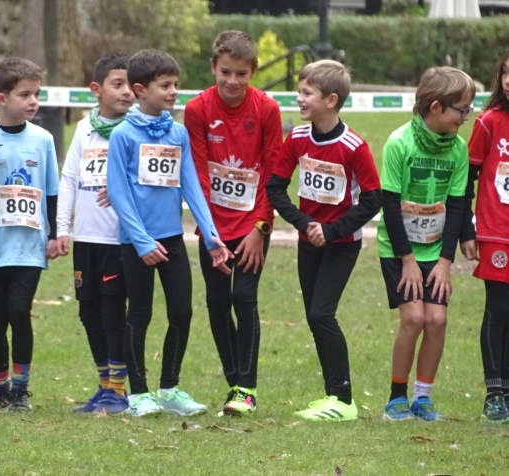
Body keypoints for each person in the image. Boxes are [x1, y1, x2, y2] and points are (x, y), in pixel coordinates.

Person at [107, 49, 232, 418]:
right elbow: (118, 192)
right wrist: (142, 241)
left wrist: (211, 237)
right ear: (140, 89)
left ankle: (169, 387)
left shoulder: (177, 133)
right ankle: (139, 394)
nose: (174, 91)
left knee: (181, 311)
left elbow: (190, 184)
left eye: (176, 84)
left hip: (172, 239)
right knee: (140, 314)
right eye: (165, 85)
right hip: (137, 243)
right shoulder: (123, 135)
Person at [267, 60, 381, 421]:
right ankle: (332, 396)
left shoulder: (353, 146)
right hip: (308, 242)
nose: (299, 99)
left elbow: (374, 198)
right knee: (314, 317)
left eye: (306, 93)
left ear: (331, 100)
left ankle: (344, 401)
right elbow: (275, 187)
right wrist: (305, 223)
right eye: (299, 92)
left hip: (342, 244)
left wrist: (330, 230)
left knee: (321, 313)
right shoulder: (298, 138)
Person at [185, 30, 282, 415]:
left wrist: (261, 228)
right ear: (213, 67)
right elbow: (197, 174)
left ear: (253, 71)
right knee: (216, 302)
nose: (232, 81)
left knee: (244, 297)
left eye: (241, 74)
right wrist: (210, 235)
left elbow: (273, 172)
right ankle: (233, 383)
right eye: (225, 72)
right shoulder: (197, 109)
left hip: (253, 223)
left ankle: (248, 387)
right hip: (212, 224)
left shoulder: (267, 109)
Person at [377, 67, 475, 421]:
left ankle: (423, 398)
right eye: (462, 109)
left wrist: (446, 261)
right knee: (414, 317)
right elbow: (389, 204)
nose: (467, 116)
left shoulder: (458, 148)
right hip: (399, 249)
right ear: (436, 107)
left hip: (436, 249)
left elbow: (458, 204)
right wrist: (407, 260)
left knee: (436, 319)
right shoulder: (399, 142)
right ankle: (396, 398)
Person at [0, 57, 59, 413]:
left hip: (29, 246)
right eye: (25, 95)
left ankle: (21, 390)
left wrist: (54, 233)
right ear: (1, 98)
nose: (33, 101)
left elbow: (51, 191)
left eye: (36, 94)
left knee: (19, 310)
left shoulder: (44, 139)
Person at [56, 53, 132, 414]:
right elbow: (70, 178)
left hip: (117, 238)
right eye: (118, 85)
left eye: (131, 85)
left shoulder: (135, 130)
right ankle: (104, 385)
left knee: (113, 312)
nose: (127, 92)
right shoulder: (85, 129)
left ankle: (118, 389)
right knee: (89, 312)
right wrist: (62, 229)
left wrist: (122, 187)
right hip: (85, 238)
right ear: (96, 90)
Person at [461, 50, 509, 423]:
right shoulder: (488, 122)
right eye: (506, 73)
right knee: (499, 308)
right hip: (497, 233)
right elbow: (467, 179)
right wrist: (467, 229)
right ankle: (495, 394)